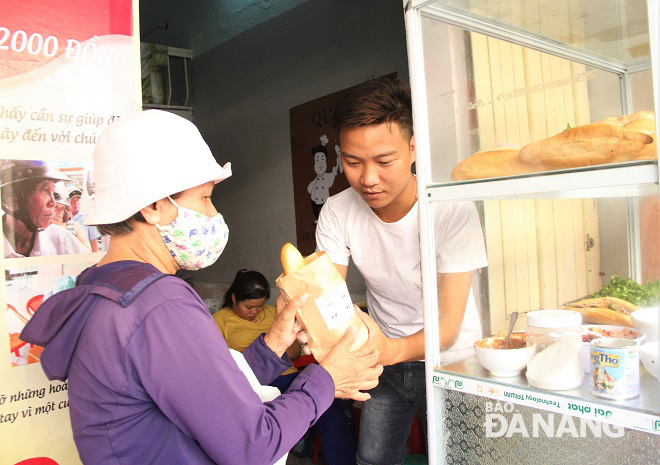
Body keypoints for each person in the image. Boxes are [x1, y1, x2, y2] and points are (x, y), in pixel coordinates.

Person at [20, 110, 383, 465]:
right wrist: (326, 379)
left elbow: (202, 393)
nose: (214, 215)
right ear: (154, 207)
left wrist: (274, 342)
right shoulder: (158, 304)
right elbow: (251, 446)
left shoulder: (103, 286)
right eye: (206, 198)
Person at [315, 77, 488, 465]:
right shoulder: (337, 211)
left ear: (412, 149)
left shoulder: (450, 208)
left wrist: (390, 349)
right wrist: (312, 327)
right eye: (353, 162)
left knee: (460, 458)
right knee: (374, 459)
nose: (368, 178)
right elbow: (327, 294)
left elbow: (447, 325)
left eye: (384, 161)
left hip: (451, 359)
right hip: (384, 362)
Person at [214, 270, 357, 465]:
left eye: (260, 305)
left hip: (287, 377)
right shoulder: (219, 321)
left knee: (332, 414)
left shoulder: (274, 313)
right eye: (249, 306)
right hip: (253, 383)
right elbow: (220, 366)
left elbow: (294, 353)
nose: (255, 312)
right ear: (233, 298)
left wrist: (284, 341)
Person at [1, 160, 91, 258]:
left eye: (52, 191)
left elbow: (90, 265)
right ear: (11, 198)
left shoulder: (59, 238)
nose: (53, 203)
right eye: (43, 190)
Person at [51, 182, 92, 250]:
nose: (59, 213)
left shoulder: (74, 226)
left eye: (62, 208)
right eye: (55, 207)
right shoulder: (42, 229)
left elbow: (87, 250)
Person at [68, 184, 101, 252]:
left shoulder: (86, 217)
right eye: (72, 201)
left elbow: (94, 242)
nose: (76, 203)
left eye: (78, 200)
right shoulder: (62, 219)